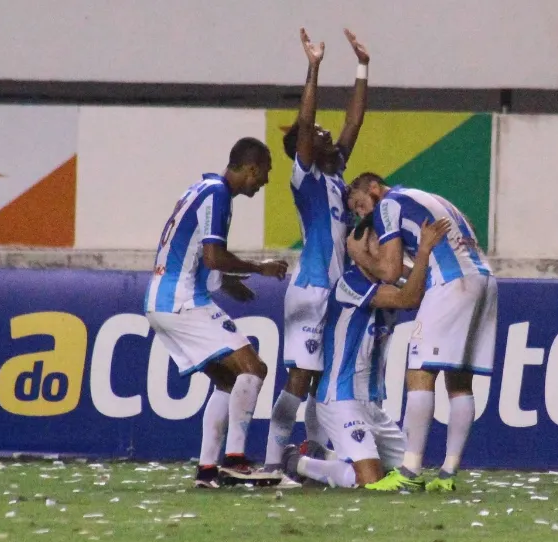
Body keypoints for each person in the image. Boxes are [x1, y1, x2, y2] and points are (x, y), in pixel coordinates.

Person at [143, 137, 289, 488]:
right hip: (180, 300)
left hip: (161, 299)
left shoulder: (202, 188)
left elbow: (197, 254)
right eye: (265, 173)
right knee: (253, 368)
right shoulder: (218, 195)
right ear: (251, 169)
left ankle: (207, 471)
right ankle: (236, 462)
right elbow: (212, 256)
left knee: (227, 380)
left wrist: (227, 281)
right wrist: (259, 267)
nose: (266, 181)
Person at [345, 176, 497, 492]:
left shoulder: (388, 204)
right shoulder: (430, 199)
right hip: (484, 280)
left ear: (373, 188)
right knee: (460, 380)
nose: (363, 216)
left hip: (450, 284)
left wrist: (358, 253)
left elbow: (387, 271)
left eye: (361, 205)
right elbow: (410, 269)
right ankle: (448, 474)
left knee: (419, 372)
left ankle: (410, 470)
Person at [264, 27, 372, 474]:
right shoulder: (305, 179)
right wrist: (314, 67)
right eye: (318, 135)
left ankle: (305, 456)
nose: (329, 135)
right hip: (310, 290)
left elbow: (353, 123)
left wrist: (363, 66)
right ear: (302, 151)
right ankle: (272, 462)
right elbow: (307, 125)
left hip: (334, 291)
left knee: (321, 378)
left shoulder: (335, 175)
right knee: (300, 378)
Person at [283, 216, 451, 488]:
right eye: (380, 242)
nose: (388, 249)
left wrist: (416, 261)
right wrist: (422, 253)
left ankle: (325, 456)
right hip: (341, 399)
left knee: (409, 477)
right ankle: (296, 462)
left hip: (372, 404)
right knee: (370, 480)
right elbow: (408, 299)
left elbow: (426, 288)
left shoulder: (386, 283)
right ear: (360, 248)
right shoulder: (350, 283)